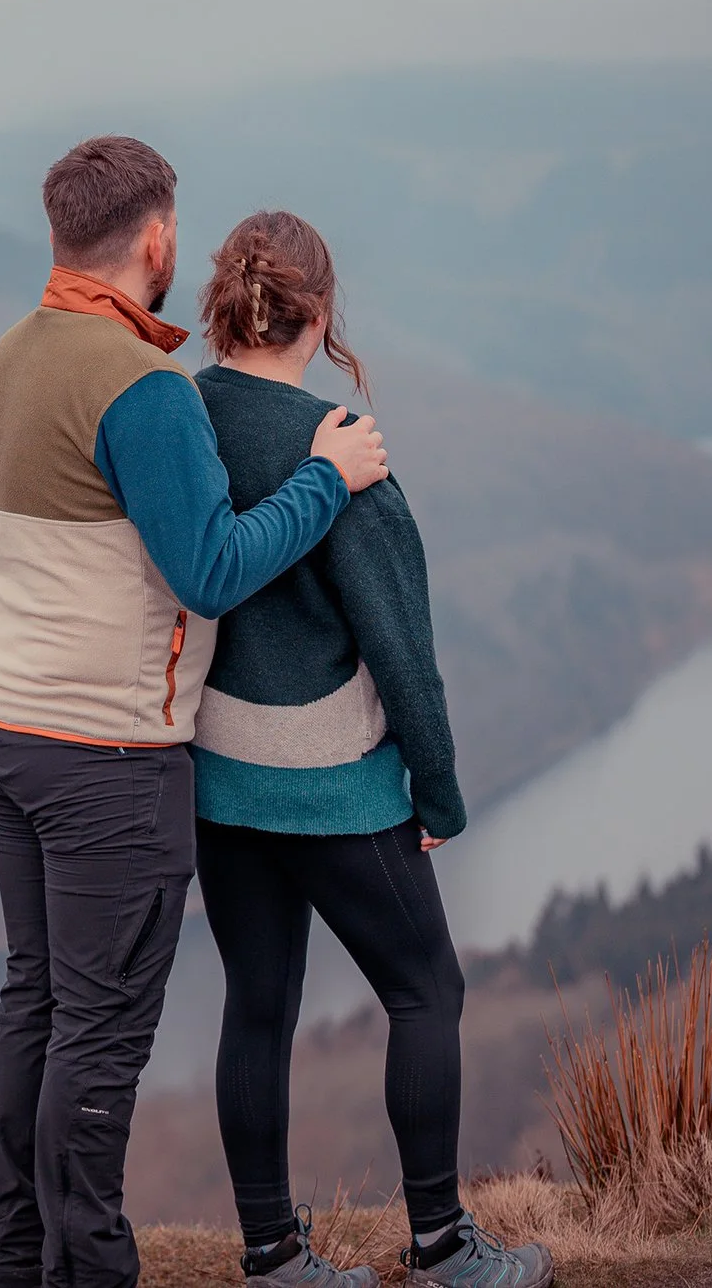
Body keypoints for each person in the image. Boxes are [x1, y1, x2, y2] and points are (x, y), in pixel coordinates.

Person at [0, 138, 393, 1288]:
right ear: (154, 240)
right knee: (96, 1037)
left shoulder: (8, 361)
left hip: (2, 726)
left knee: (36, 1006)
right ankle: (90, 1269)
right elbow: (209, 567)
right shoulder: (141, 389)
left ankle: (18, 1264)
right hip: (105, 757)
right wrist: (325, 477)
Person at [190, 211, 553, 1288]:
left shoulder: (179, 419)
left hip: (217, 778)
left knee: (256, 1005)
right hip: (336, 787)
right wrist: (437, 795)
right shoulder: (339, 449)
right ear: (317, 312)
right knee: (423, 991)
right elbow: (402, 649)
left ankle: (271, 1258)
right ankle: (442, 1247)